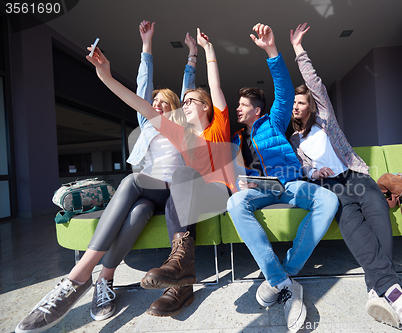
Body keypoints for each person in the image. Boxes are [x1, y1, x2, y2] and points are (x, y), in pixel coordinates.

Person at [15, 21, 197, 333]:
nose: (155, 106)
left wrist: (192, 55)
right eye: (153, 103)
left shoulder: (179, 126)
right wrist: (128, 57)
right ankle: (104, 279)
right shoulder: (149, 123)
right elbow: (142, 87)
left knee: (129, 181)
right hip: (147, 194)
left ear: (175, 107)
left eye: (163, 103)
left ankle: (77, 276)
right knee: (137, 211)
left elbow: (179, 88)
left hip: (171, 191)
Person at [288, 23, 402, 333]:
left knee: (377, 214)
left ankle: (377, 288)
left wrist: (298, 50)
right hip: (331, 186)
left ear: (312, 106)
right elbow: (301, 169)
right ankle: (396, 294)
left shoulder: (326, 120)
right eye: (294, 103)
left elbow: (314, 83)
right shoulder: (294, 141)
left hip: (356, 175)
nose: (296, 105)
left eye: (301, 102)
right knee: (351, 224)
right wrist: (311, 172)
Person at [86, 28, 235, 317]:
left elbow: (213, 84)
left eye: (189, 101)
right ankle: (178, 281)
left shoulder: (218, 126)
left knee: (183, 177)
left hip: (215, 192)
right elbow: (139, 102)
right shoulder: (179, 133)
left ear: (205, 107)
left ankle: (177, 273)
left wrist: (206, 50)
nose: (183, 104)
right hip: (184, 196)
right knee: (171, 189)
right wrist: (105, 76)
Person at [226, 23, 339, 333]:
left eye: (243, 104)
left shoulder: (272, 122)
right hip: (260, 191)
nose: (238, 108)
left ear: (257, 109)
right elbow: (233, 176)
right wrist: (241, 182)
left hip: (289, 184)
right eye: (238, 104)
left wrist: (272, 51)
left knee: (328, 200)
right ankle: (280, 281)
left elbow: (285, 90)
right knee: (236, 203)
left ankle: (284, 273)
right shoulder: (236, 141)